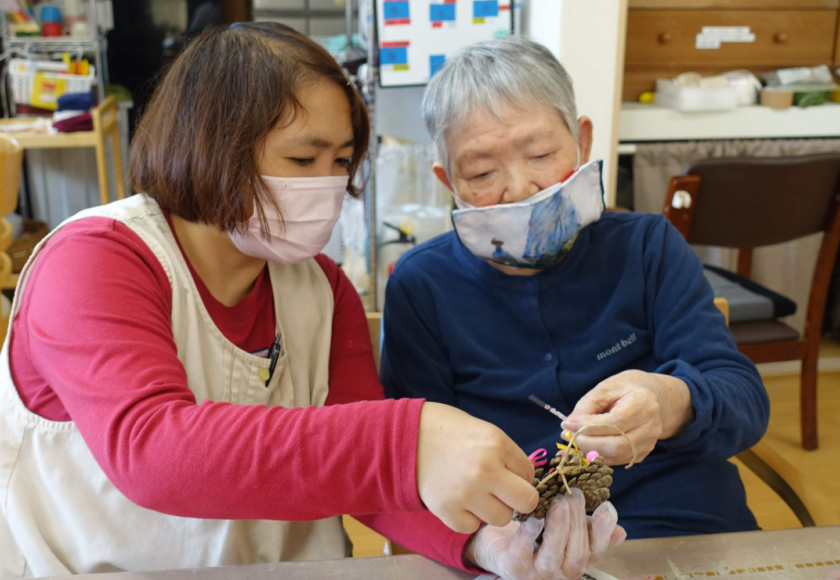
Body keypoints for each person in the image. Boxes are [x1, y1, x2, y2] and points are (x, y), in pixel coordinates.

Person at [0, 23, 598, 578]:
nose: (328, 185)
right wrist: (408, 438)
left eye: (340, 161)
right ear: (211, 146)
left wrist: (482, 543)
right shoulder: (95, 260)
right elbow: (153, 453)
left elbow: (369, 483)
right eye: (302, 160)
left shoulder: (323, 291)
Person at [381, 36, 770, 545]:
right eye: (481, 172)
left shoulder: (647, 247)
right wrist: (484, 550)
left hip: (685, 522)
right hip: (516, 543)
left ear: (583, 141)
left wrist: (667, 400)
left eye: (540, 154)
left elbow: (743, 399)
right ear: (448, 181)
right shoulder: (421, 286)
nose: (520, 187)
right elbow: (415, 459)